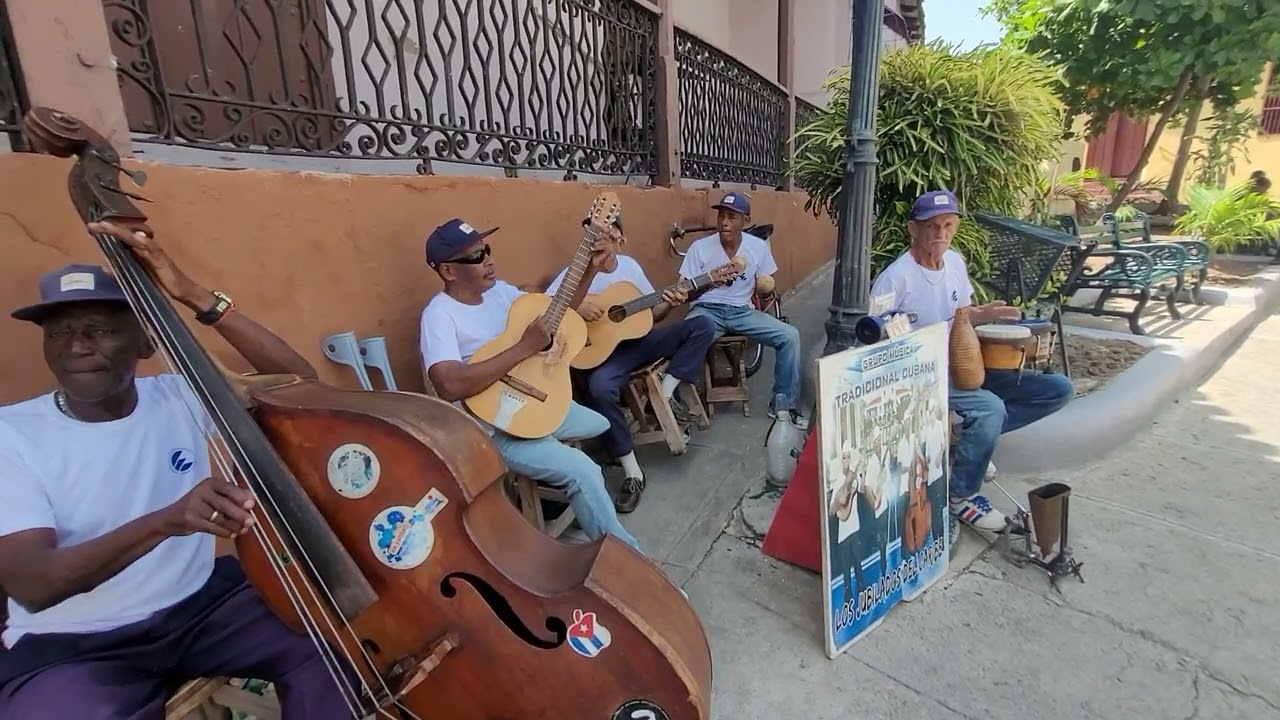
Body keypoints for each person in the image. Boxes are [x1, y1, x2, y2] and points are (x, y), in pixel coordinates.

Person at [0, 222, 356, 718]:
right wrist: (168, 520)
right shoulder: (11, 434)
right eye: (58, 332)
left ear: (147, 342)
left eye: (98, 329)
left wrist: (191, 293)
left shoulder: (178, 394)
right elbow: (33, 585)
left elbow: (298, 380)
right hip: (79, 643)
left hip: (201, 606)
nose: (75, 346)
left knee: (342, 645)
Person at [418, 218, 642, 551]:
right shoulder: (439, 315)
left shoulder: (499, 293)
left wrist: (591, 272)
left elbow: (557, 311)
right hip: (492, 427)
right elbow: (448, 384)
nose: (489, 260)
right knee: (584, 470)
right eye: (477, 256)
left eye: (488, 250)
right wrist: (525, 347)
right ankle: (626, 559)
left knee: (602, 423)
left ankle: (553, 457)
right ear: (449, 271)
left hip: (529, 402)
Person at [870, 190, 1075, 534]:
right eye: (932, 226)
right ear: (913, 229)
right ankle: (961, 495)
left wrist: (987, 314)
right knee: (990, 408)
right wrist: (896, 332)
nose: (941, 233)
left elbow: (962, 316)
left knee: (1058, 389)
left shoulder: (955, 262)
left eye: (948, 225)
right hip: (923, 374)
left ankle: (971, 443)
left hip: (965, 363)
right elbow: (875, 333)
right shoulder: (895, 278)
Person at [547, 217, 716, 513]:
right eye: (593, 232)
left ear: (620, 237)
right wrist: (577, 305)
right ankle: (633, 472)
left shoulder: (630, 268)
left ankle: (666, 389)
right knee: (600, 386)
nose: (600, 238)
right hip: (605, 355)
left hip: (641, 342)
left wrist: (671, 301)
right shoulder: (574, 274)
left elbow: (653, 314)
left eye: (607, 231)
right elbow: (545, 308)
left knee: (702, 324)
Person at [677, 192, 807, 428]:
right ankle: (677, 410)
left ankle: (783, 404)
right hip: (707, 310)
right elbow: (684, 293)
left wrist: (766, 287)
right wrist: (707, 284)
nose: (724, 222)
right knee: (678, 340)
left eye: (731, 217)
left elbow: (767, 288)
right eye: (721, 216)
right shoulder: (700, 248)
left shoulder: (757, 247)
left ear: (745, 220)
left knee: (790, 336)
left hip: (742, 311)